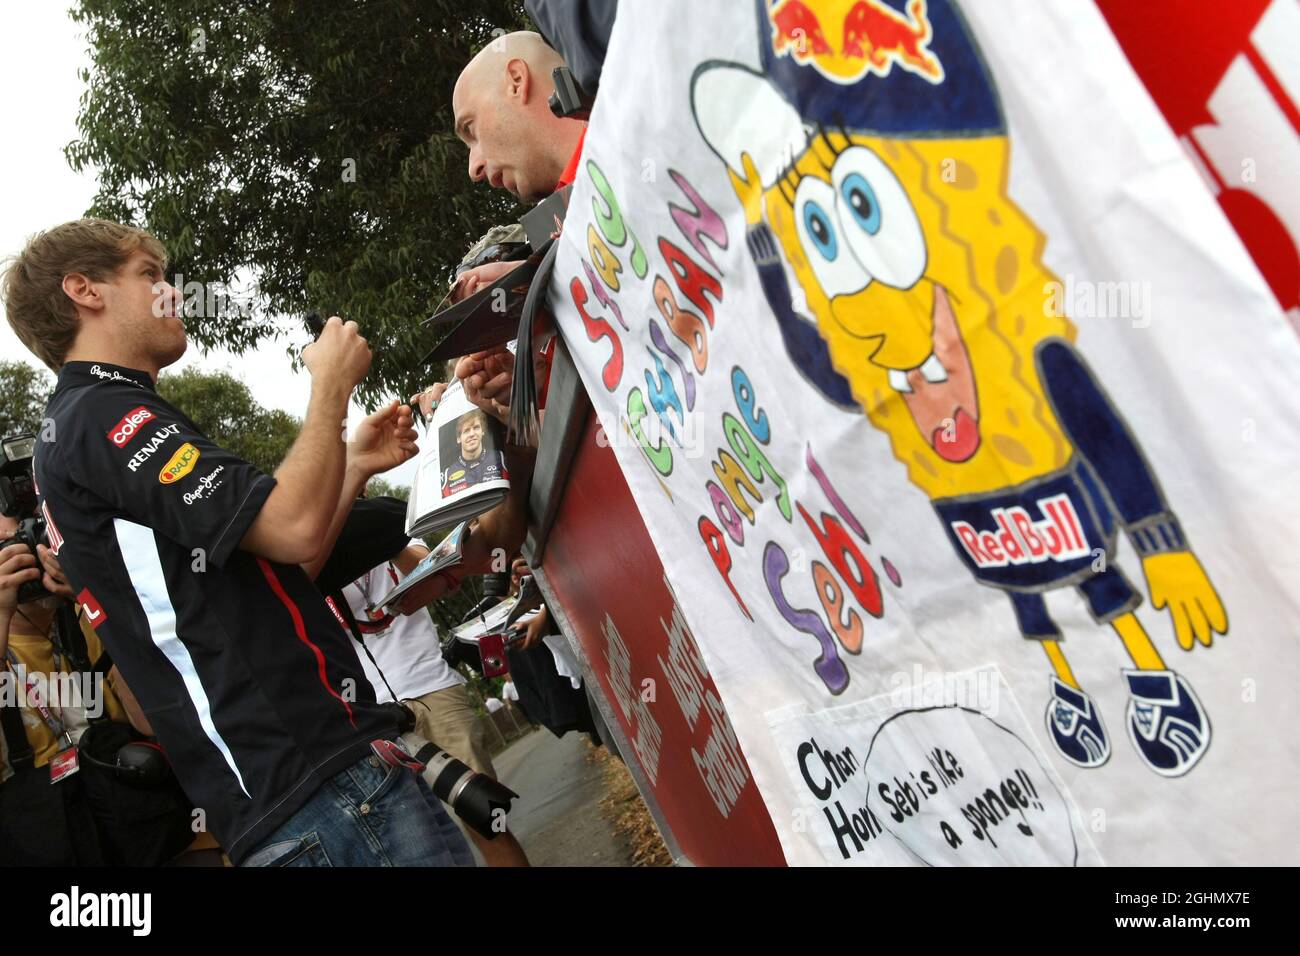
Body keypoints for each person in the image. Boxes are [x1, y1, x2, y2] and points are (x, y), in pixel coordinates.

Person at [1, 218, 473, 867]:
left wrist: (352, 463)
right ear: (84, 289)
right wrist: (329, 388)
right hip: (315, 790)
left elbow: (289, 564)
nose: (172, 292)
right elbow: (292, 525)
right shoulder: (103, 415)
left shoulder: (98, 420)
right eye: (149, 275)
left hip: (317, 784)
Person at [336, 545, 530, 866]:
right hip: (374, 713)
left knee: (484, 816)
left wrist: (383, 534)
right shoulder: (312, 551)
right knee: (416, 841)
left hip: (434, 688)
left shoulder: (393, 529)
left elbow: (437, 567)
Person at [441, 409, 506, 497]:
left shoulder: (500, 457)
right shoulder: (448, 473)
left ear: (482, 431)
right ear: (458, 439)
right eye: (466, 431)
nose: (472, 434)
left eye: (476, 428)